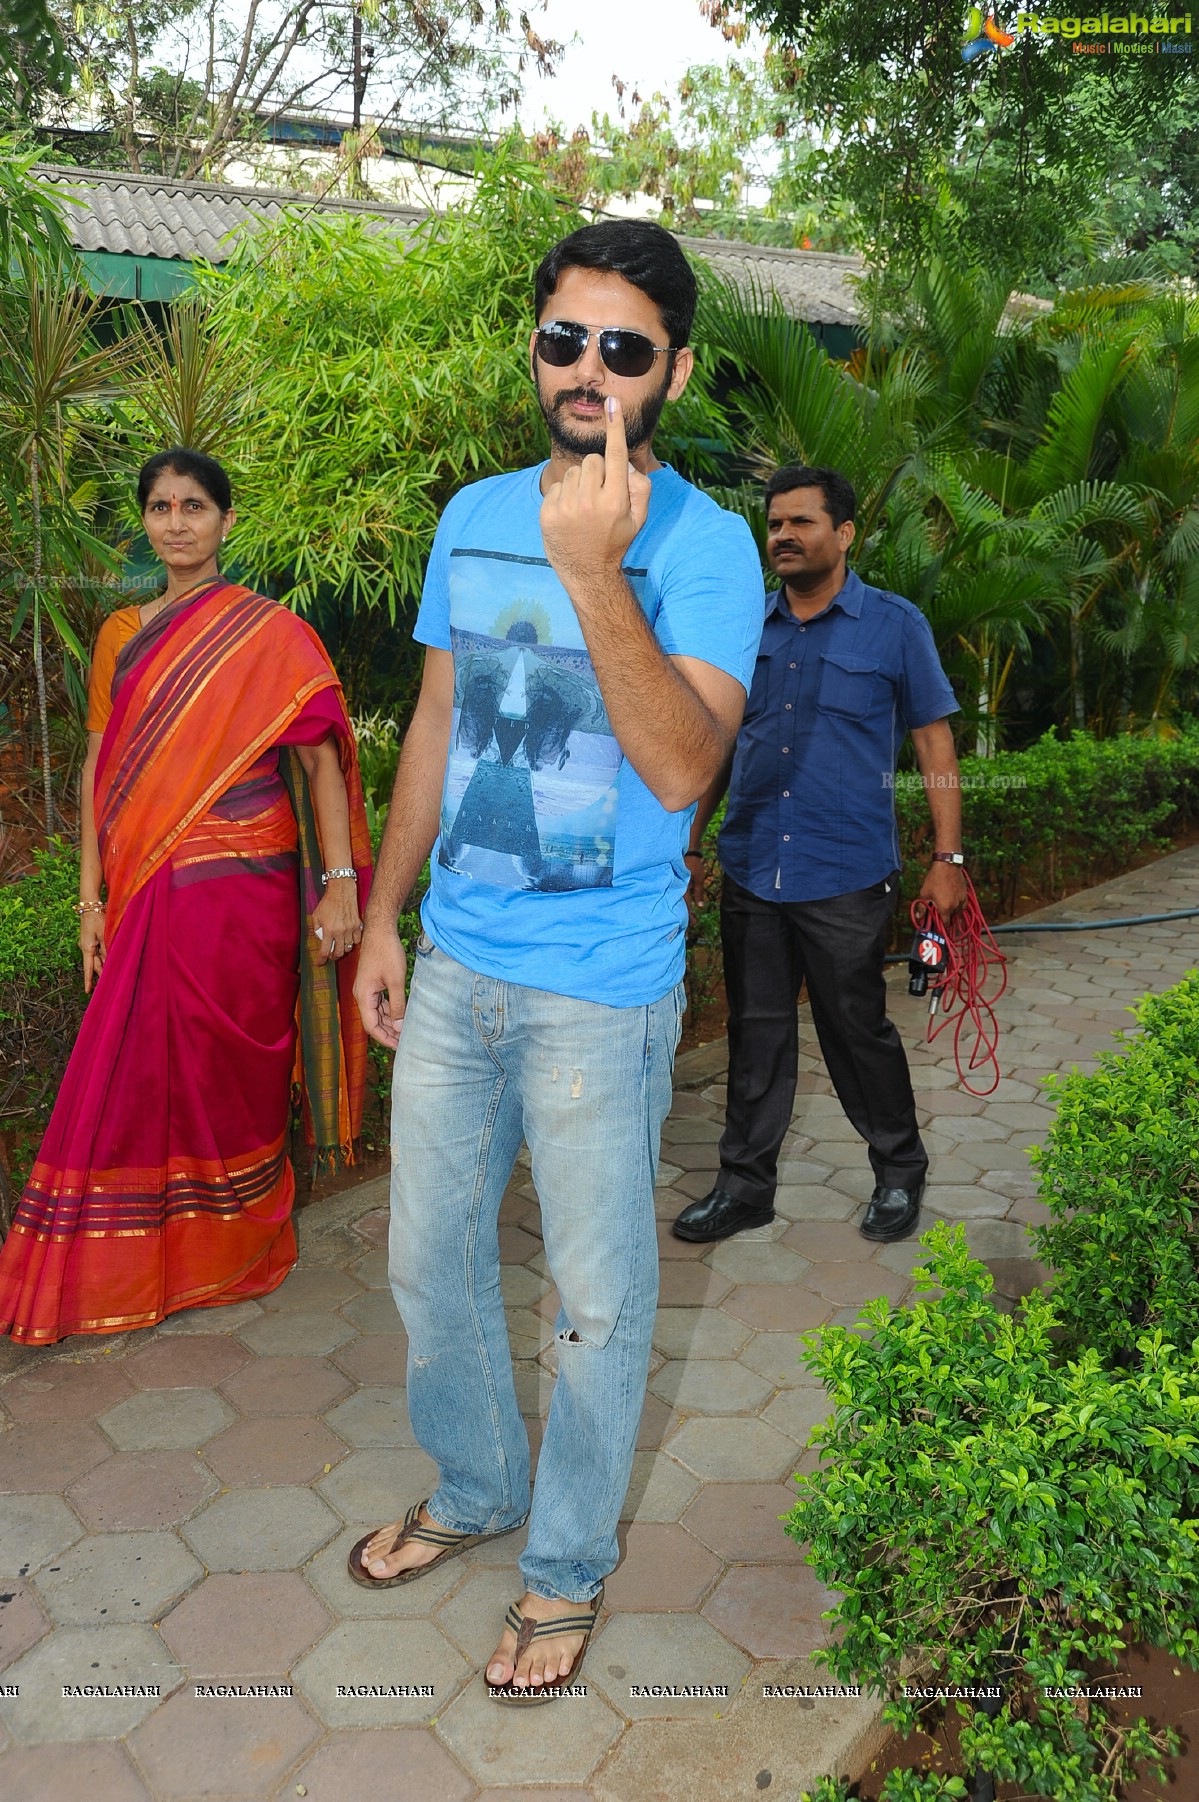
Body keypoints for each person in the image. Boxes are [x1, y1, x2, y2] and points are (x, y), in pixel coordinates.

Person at [350, 221, 764, 1702]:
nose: (586, 370)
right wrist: (384, 912)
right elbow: (433, 730)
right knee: (426, 1262)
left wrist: (593, 568)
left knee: (594, 1294)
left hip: (600, 984)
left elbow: (676, 772)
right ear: (532, 348)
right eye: (562, 340)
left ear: (673, 370)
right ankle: (472, 1484)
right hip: (455, 960)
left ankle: (564, 1563)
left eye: (623, 348)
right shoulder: (468, 513)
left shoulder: (708, 547)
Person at [0, 448, 372, 1345]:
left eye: (195, 506)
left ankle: (230, 1243)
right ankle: (144, 1253)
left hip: (246, 889)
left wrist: (340, 885)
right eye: (161, 507)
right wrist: (89, 900)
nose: (177, 522)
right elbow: (98, 766)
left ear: (225, 521)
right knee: (137, 1066)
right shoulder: (122, 634)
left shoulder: (269, 634)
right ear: (146, 522)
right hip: (146, 885)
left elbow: (322, 759)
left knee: (229, 1066)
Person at [672, 465, 966, 1249]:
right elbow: (718, 743)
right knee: (755, 1034)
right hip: (752, 868)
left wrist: (949, 855)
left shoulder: (894, 625)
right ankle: (744, 1188)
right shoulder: (746, 627)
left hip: (843, 873)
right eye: (773, 524)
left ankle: (899, 1172)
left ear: (843, 535)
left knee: (855, 1030)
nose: (782, 537)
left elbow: (933, 739)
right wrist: (694, 844)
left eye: (801, 523)